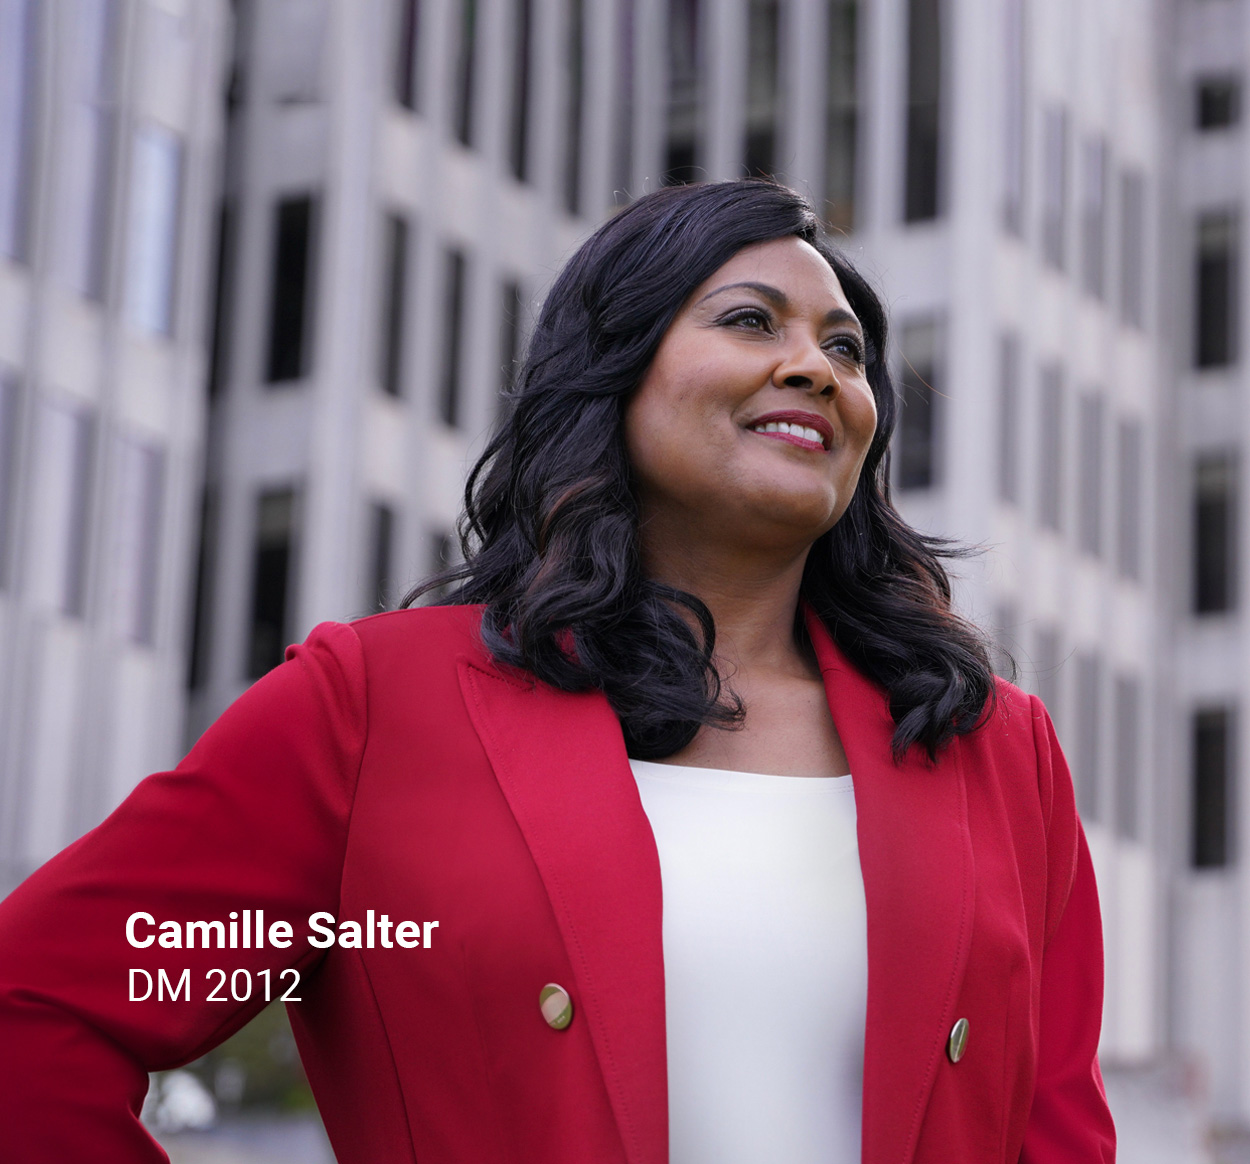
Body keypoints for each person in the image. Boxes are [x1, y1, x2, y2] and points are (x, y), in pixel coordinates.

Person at [0, 178, 1115, 1163]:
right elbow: (35, 1010)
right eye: (748, 321)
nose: (812, 370)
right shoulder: (371, 710)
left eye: (845, 349)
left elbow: (1055, 1138)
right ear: (611, 374)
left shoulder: (991, 749)